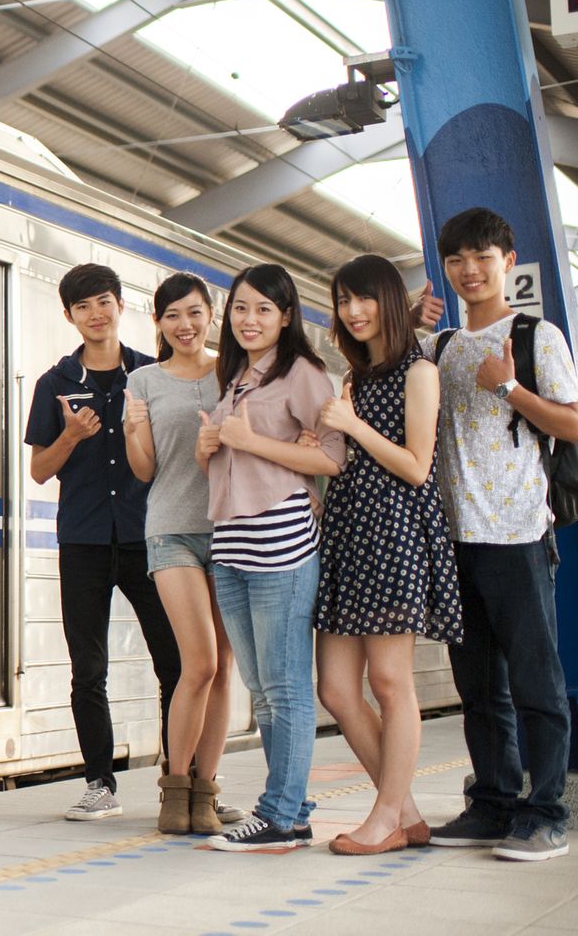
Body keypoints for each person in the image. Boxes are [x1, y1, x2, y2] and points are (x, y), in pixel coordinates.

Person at [420, 208, 578, 861]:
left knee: (536, 682)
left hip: (517, 535)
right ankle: (492, 804)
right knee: (479, 687)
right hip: (456, 540)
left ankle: (544, 813)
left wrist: (510, 385)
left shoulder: (535, 335)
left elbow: (573, 426)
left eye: (482, 257)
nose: (469, 269)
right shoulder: (440, 346)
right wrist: (407, 324)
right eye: (457, 259)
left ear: (507, 262)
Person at [314, 254, 463, 856]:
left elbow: (415, 465)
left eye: (364, 299)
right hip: (349, 533)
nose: (353, 312)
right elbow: (349, 457)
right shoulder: (355, 376)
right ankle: (404, 812)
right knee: (337, 689)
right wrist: (327, 440)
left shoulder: (416, 370)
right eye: (344, 301)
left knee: (390, 681)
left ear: (390, 303)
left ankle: (384, 819)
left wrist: (351, 425)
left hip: (397, 534)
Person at [26, 263, 181, 822]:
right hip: (84, 539)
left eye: (105, 302)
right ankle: (99, 784)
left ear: (121, 306)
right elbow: (40, 470)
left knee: (177, 664)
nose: (97, 314)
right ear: (69, 315)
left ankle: (180, 777)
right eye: (84, 306)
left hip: (148, 536)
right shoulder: (55, 383)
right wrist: (69, 435)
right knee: (88, 669)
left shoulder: (152, 374)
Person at [196, 263, 344, 852]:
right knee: (261, 689)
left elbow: (333, 458)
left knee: (284, 688)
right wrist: (210, 447)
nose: (249, 319)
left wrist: (249, 441)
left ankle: (280, 814)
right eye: (240, 308)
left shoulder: (303, 373)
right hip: (230, 543)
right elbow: (236, 460)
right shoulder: (235, 376)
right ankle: (295, 806)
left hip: (279, 545)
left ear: (287, 316)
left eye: (263, 309)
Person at [125, 273, 245, 834]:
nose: (185, 325)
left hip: (230, 527)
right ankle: (175, 792)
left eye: (195, 313)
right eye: (173, 316)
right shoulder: (143, 380)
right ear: (158, 323)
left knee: (224, 670)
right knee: (198, 663)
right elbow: (146, 471)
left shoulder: (235, 371)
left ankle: (206, 794)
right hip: (170, 528)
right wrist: (132, 431)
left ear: (211, 316)